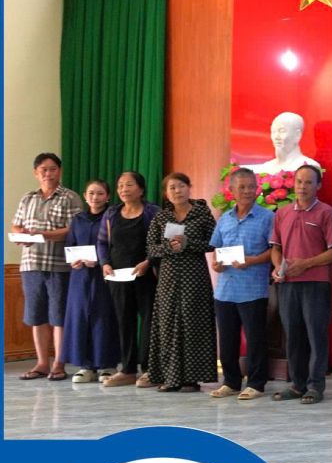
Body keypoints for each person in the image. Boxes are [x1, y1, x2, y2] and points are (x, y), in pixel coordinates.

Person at [269, 164, 332, 405]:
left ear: (318, 185)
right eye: (299, 181)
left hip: (316, 284)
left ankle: (315, 386)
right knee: (293, 336)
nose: (303, 186)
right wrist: (278, 267)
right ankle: (297, 385)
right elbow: (275, 248)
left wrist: (306, 264)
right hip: (288, 285)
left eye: (309, 182)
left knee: (316, 336)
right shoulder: (282, 213)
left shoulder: (327, 213)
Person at [11, 152, 83, 380]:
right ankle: (42, 363)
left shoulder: (70, 197)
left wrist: (43, 235)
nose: (48, 174)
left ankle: (59, 364)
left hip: (59, 265)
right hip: (31, 264)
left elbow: (75, 230)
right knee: (37, 316)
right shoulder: (27, 198)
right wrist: (21, 235)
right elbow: (16, 225)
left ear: (59, 171)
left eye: (53, 169)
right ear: (36, 173)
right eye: (43, 170)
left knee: (58, 316)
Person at [145, 172, 218, 393]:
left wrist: (189, 243)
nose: (177, 191)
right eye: (172, 188)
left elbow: (214, 243)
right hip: (168, 279)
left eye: (181, 186)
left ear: (189, 187)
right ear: (166, 194)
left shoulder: (202, 214)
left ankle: (192, 379)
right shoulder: (161, 217)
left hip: (195, 278)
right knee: (168, 325)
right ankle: (170, 377)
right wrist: (169, 247)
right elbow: (151, 248)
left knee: (194, 324)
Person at [208, 167, 275, 400]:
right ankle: (231, 381)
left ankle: (256, 383)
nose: (247, 191)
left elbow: (275, 250)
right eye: (242, 187)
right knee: (227, 340)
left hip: (253, 288)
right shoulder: (224, 218)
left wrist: (252, 260)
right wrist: (216, 263)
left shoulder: (267, 217)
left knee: (256, 339)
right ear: (232, 190)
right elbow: (217, 248)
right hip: (225, 290)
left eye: (251, 187)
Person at [101, 170, 159, 388]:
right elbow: (102, 242)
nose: (124, 189)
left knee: (149, 322)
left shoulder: (153, 212)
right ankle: (127, 370)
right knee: (124, 322)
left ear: (141, 189)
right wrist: (105, 263)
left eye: (129, 185)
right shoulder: (111, 213)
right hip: (118, 277)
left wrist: (148, 262)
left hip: (146, 275)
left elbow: (162, 242)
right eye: (120, 186)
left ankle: (150, 369)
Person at [59, 179, 119, 382]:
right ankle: (86, 366)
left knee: (104, 318)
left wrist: (101, 261)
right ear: (85, 196)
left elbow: (116, 246)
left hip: (104, 275)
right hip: (80, 276)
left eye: (100, 193)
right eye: (91, 193)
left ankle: (107, 365)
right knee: (80, 318)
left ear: (108, 196)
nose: (95, 197)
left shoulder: (113, 217)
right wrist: (73, 261)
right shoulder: (78, 219)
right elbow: (70, 244)